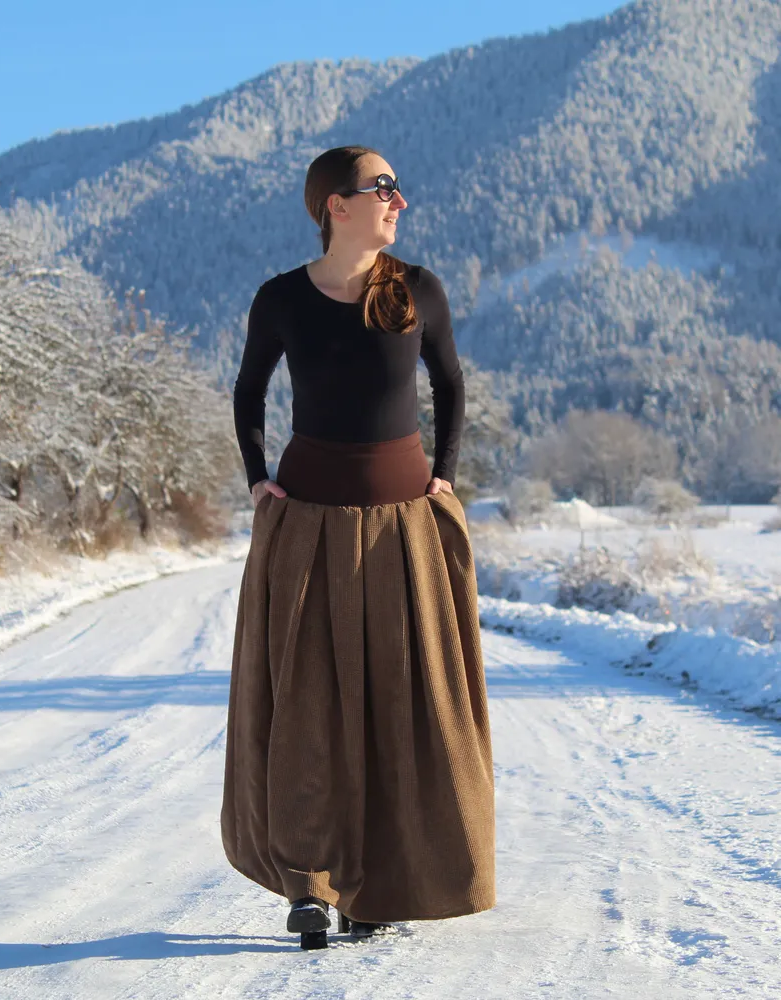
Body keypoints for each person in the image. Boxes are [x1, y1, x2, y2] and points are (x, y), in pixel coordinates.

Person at [221, 145, 496, 950]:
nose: (398, 201)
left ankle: (374, 885)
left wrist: (444, 476)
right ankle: (309, 885)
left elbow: (451, 385)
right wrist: (257, 480)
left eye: (397, 189)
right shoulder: (280, 298)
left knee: (401, 707)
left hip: (404, 530)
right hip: (306, 525)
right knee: (306, 710)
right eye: (382, 188)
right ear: (334, 205)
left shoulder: (419, 289)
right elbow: (248, 391)